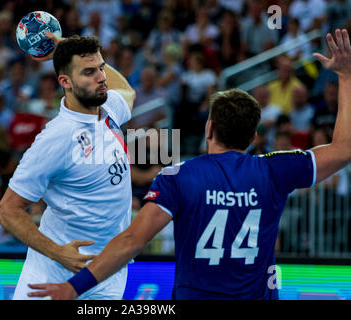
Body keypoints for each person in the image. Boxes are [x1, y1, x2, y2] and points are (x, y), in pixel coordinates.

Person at [27, 29, 351, 300]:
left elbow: (130, 242)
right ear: (254, 136)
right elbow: (344, 149)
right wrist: (346, 77)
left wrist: (73, 287)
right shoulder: (275, 171)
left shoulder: (178, 176)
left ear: (209, 129)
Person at [0, 33, 136, 300]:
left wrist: (63, 44)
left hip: (108, 272)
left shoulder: (109, 110)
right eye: (89, 72)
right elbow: (6, 210)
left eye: (102, 68)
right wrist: (56, 252)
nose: (102, 78)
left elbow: (128, 92)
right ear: (65, 81)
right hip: (52, 273)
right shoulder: (56, 138)